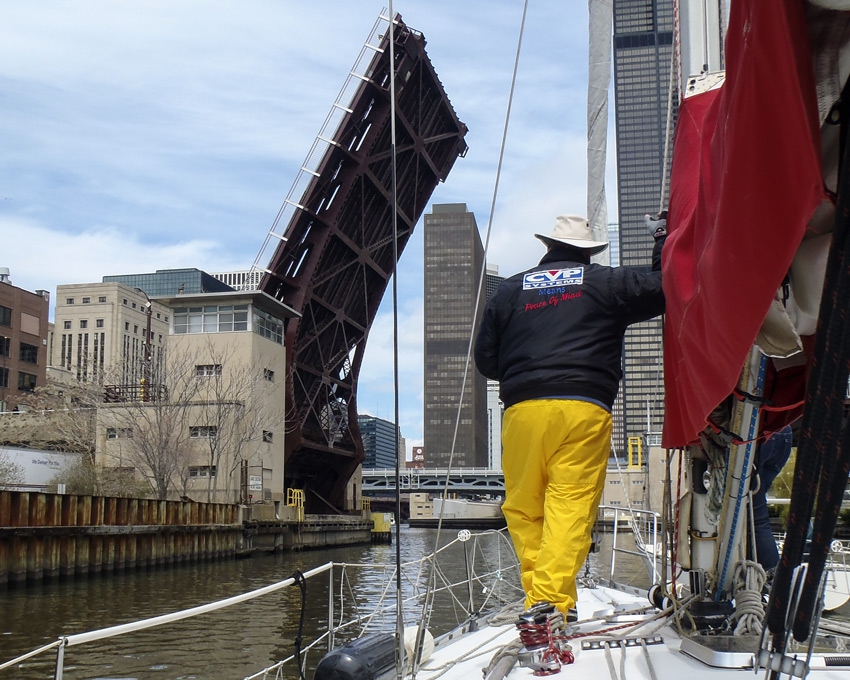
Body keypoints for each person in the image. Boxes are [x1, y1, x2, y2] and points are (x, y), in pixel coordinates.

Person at [474, 213, 667, 621]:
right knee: (571, 506)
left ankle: (547, 604)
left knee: (525, 509)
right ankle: (548, 604)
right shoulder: (604, 283)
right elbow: (665, 287)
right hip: (582, 407)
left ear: (548, 249)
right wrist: (662, 242)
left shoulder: (509, 291)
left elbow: (486, 362)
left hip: (522, 413)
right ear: (588, 252)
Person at [752, 425, 793, 571]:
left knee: (754, 516)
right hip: (784, 433)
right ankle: (768, 575)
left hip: (755, 437)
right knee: (755, 511)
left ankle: (771, 574)